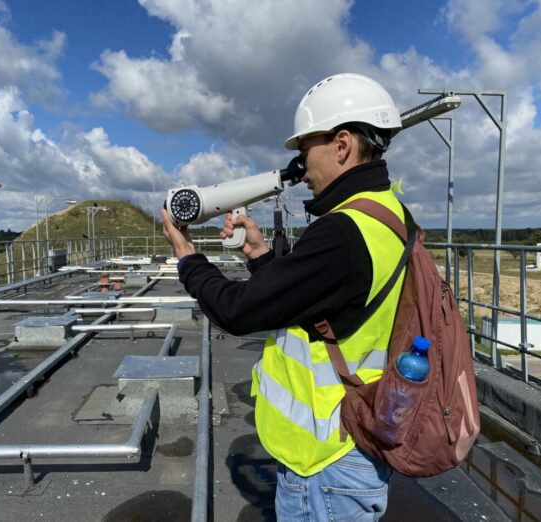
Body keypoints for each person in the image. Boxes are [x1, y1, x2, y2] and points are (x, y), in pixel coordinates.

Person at [162, 73, 406, 521]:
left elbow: (237, 311)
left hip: (327, 466)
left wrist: (187, 257)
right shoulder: (385, 214)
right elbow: (320, 304)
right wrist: (259, 255)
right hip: (351, 443)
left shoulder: (342, 232)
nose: (300, 167)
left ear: (342, 144)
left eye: (303, 150)